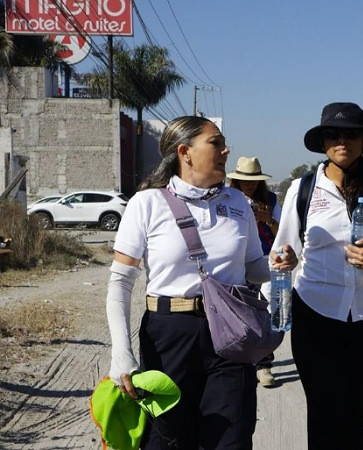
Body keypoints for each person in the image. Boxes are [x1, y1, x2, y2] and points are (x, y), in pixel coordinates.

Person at [105, 116, 296, 449]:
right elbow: (120, 283)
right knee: (167, 439)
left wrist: (275, 264)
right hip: (168, 335)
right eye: (216, 143)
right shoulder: (146, 203)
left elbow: (252, 267)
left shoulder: (237, 203)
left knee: (230, 439)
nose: (226, 149)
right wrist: (121, 353)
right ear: (185, 152)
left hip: (232, 332)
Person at [271, 102, 363, 449]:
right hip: (317, 316)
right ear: (323, 142)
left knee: (359, 410)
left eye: (351, 134)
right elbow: (281, 253)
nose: (342, 141)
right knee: (325, 413)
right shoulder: (303, 189)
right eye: (333, 134)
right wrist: (286, 260)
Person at [227, 156, 282, 388]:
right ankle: (239, 361)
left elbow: (283, 232)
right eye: (244, 181)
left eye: (254, 181)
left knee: (264, 312)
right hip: (237, 262)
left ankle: (264, 364)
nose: (249, 185)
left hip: (264, 261)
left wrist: (267, 219)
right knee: (238, 312)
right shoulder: (228, 199)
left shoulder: (270, 200)